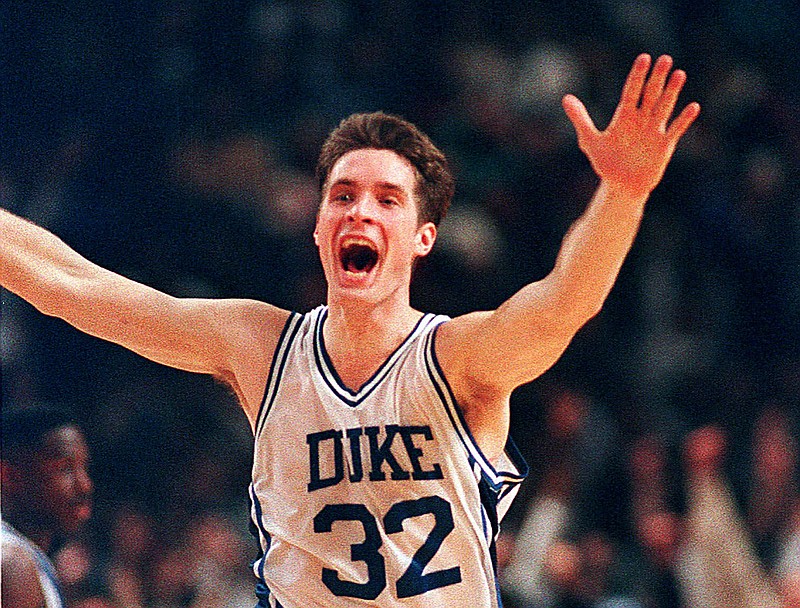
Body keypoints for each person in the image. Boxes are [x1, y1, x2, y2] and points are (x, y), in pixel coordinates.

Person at [0, 53, 699, 607]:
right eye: (343, 196)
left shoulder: (458, 360)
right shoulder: (260, 346)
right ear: (317, 225)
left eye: (387, 200)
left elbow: (563, 303)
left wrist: (623, 194)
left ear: (422, 238)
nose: (360, 211)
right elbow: (76, 288)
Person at [1, 406, 94, 608]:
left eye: (84, 467)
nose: (85, 485)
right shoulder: (12, 563)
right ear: (10, 476)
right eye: (65, 468)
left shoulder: (27, 555)